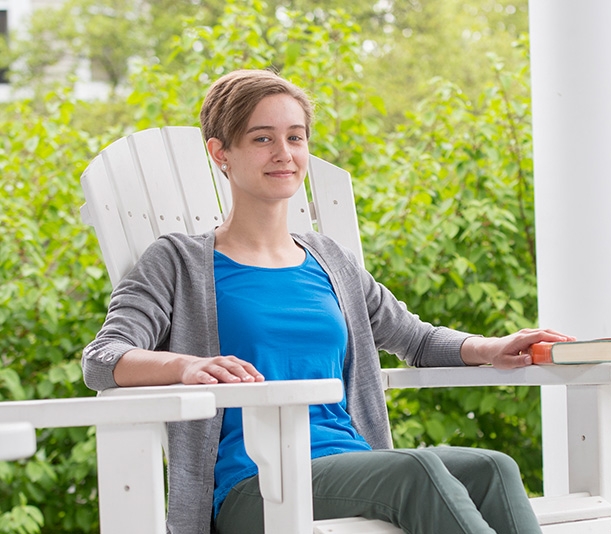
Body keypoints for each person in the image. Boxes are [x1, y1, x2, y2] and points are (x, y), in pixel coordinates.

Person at [82, 69, 575, 534]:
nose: (284, 153)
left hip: (354, 463)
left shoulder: (328, 259)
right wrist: (186, 366)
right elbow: (103, 359)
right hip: (255, 486)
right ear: (220, 153)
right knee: (419, 470)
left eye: (295, 137)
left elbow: (414, 338)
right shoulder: (178, 262)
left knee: (493, 466)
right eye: (262, 138)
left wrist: (489, 347)